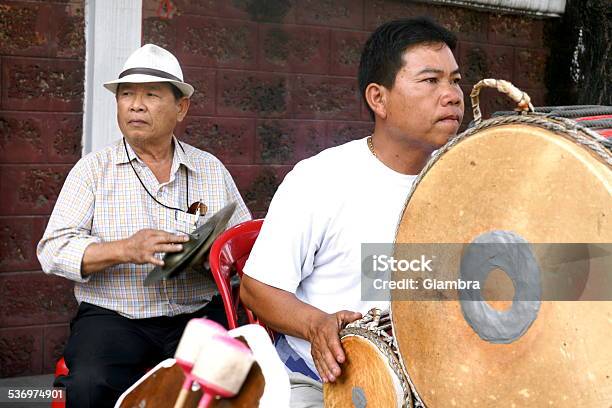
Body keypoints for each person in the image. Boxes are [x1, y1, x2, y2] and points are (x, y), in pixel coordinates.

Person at [240, 17, 464, 407]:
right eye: (431, 81)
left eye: (455, 80)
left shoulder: (467, 177)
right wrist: (316, 324)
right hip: (324, 379)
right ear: (378, 99)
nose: (451, 95)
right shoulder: (322, 179)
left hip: (432, 381)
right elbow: (256, 289)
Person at [37, 44, 250, 407]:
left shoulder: (210, 169)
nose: (135, 105)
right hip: (115, 319)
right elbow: (52, 250)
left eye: (150, 95)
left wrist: (210, 257)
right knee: (88, 386)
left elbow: (244, 247)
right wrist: (123, 249)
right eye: (126, 95)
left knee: (245, 378)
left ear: (180, 108)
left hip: (197, 315)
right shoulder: (93, 170)